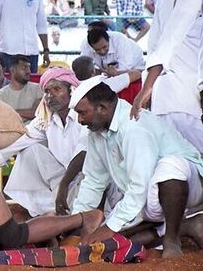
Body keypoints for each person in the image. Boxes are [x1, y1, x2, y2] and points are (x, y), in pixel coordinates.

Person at [70, 77, 203, 258]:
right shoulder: (96, 132)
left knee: (170, 166)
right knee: (107, 244)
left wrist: (109, 227)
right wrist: (77, 220)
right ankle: (187, 227)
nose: (79, 119)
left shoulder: (133, 126)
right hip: (148, 199)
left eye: (82, 112)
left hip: (186, 189)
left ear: (102, 108)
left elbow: (140, 186)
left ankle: (171, 239)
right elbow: (93, 180)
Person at [0, 67, 86, 217]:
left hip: (88, 179)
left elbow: (83, 153)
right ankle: (46, 210)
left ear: (71, 90)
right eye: (47, 91)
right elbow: (22, 138)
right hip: (62, 179)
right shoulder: (46, 118)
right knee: (29, 150)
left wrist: (64, 186)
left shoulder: (84, 115)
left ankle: (60, 213)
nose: (51, 95)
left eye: (57, 89)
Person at [131, 0, 202, 153]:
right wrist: (148, 87)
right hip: (167, 90)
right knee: (173, 157)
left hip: (194, 84)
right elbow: (155, 47)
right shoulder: (164, 0)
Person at [0, 55, 42, 123]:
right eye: (24, 67)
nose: (28, 71)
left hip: (34, 132)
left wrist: (11, 112)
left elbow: (38, 112)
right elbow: (0, 119)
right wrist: (27, 114)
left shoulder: (38, 89)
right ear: (13, 70)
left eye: (29, 67)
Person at [81, 28, 145, 75]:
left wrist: (114, 73)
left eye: (104, 47)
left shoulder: (120, 40)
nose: (102, 51)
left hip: (134, 70)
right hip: (108, 74)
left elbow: (124, 70)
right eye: (97, 50)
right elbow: (84, 67)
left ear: (109, 39)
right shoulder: (86, 45)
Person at [72, 55, 140, 92]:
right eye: (95, 65)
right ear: (93, 71)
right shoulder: (105, 84)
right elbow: (137, 74)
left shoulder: (74, 88)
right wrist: (116, 73)